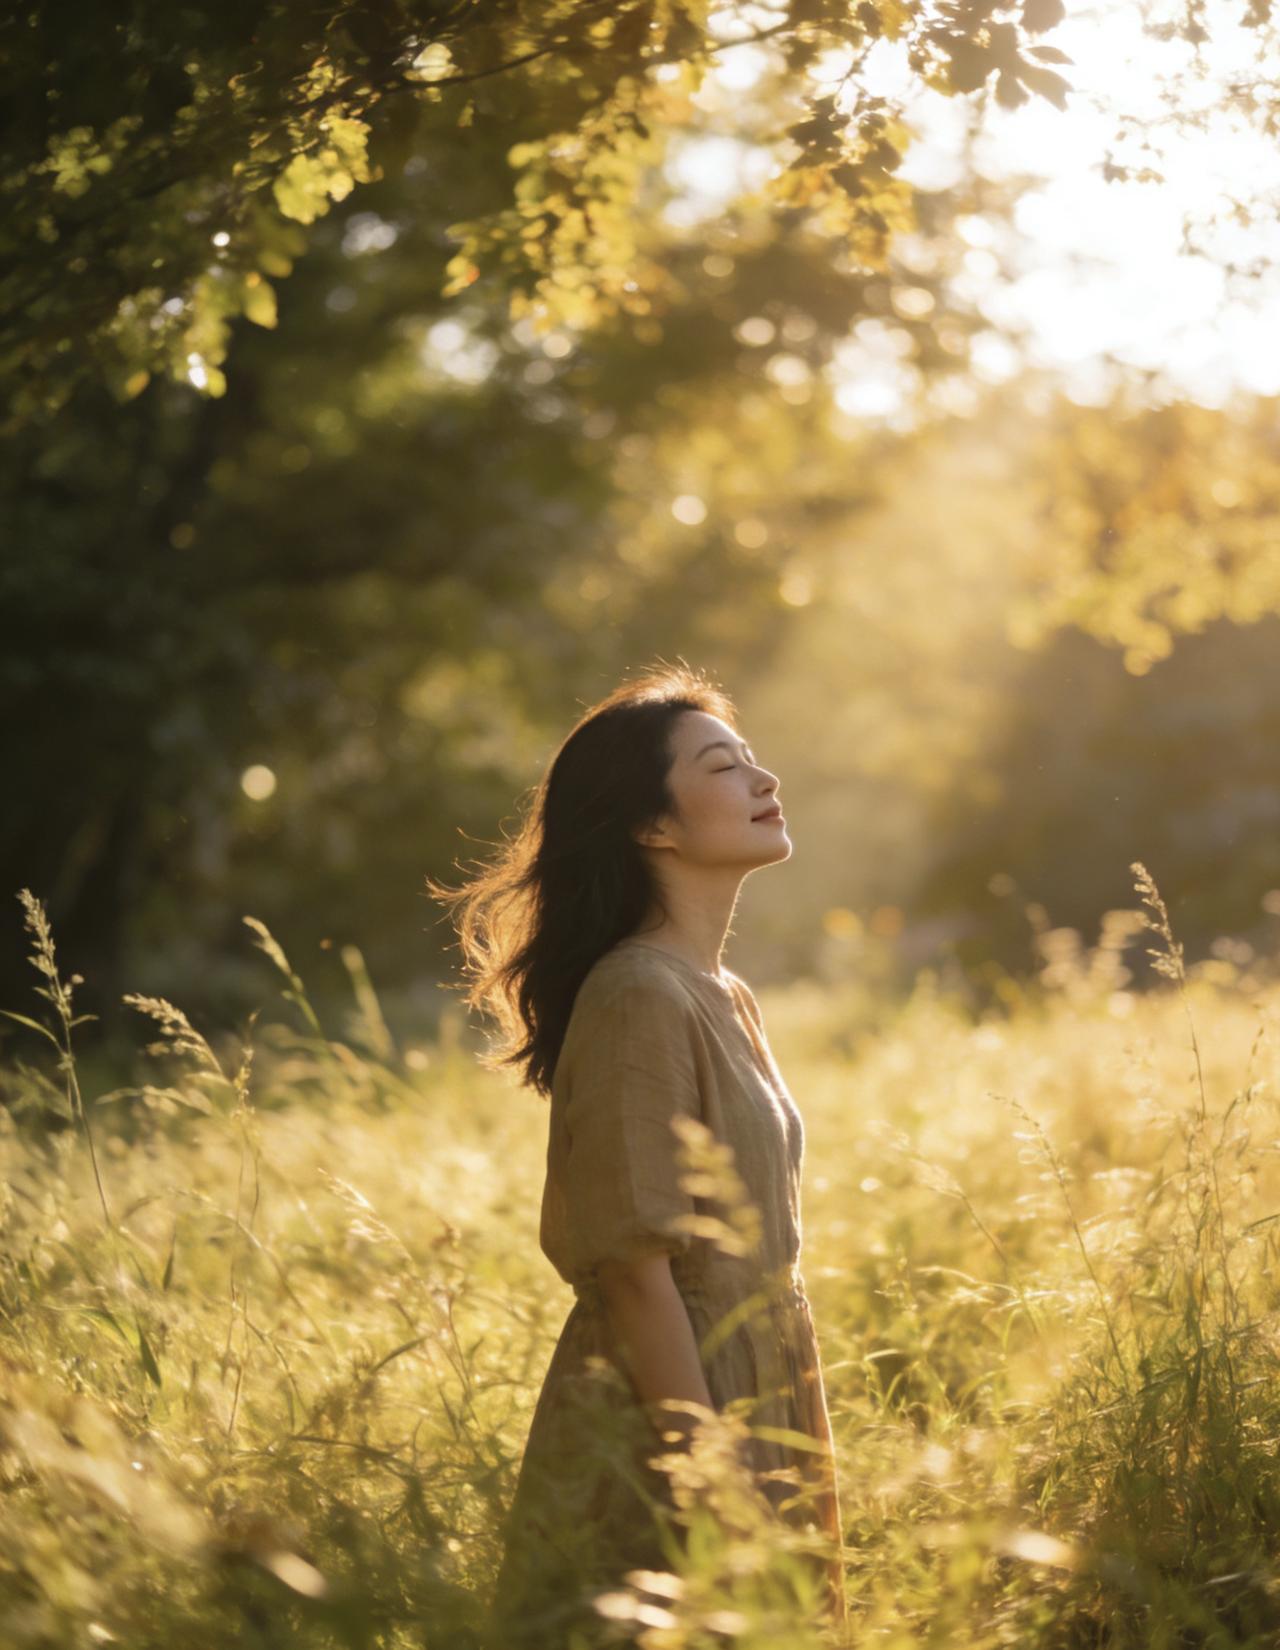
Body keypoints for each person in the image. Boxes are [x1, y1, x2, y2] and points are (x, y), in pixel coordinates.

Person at [429, 659, 849, 1647]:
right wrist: (709, 1489)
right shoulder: (636, 995)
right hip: (666, 1412)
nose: (765, 781)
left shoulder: (724, 994)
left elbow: (773, 1271)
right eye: (723, 766)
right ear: (652, 826)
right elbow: (630, 1270)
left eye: (754, 761)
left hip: (758, 1396)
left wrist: (810, 1473)